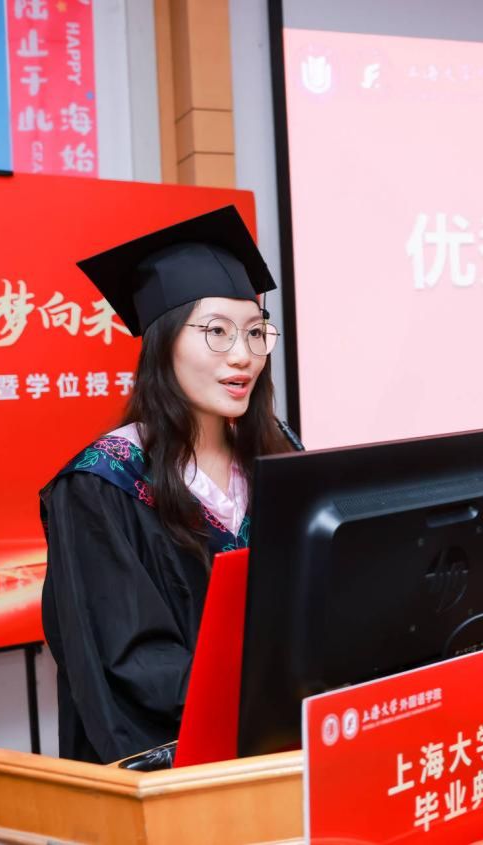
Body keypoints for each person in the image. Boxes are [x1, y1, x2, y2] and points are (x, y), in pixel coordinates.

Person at [39, 206, 293, 764]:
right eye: (217, 332)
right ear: (164, 343)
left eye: (255, 332)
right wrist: (263, 702)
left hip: (283, 741)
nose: (243, 355)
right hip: (179, 765)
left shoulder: (279, 458)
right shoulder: (102, 485)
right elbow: (129, 664)